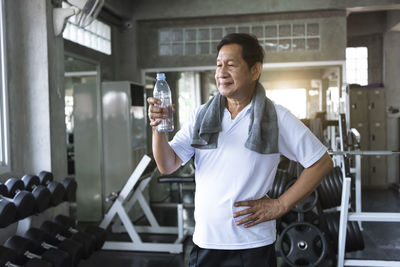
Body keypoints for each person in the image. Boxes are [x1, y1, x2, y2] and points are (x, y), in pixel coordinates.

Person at [147, 33, 333, 267]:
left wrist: (280, 205)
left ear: (255, 70)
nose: (221, 72)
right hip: (206, 241)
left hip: (252, 245)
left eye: (231, 65)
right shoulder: (202, 116)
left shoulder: (276, 117)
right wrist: (158, 129)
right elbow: (167, 164)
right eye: (218, 65)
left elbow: (322, 162)